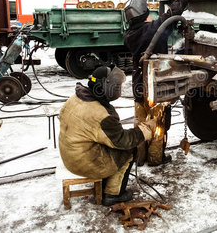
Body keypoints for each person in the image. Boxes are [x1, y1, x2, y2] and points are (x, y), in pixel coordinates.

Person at [58, 65, 157, 206]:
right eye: (119, 87)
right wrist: (143, 131)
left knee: (114, 146)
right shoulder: (100, 115)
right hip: (83, 163)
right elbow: (123, 141)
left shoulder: (76, 97)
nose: (120, 90)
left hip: (70, 154)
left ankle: (108, 182)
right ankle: (113, 194)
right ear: (105, 87)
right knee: (129, 151)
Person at [123, 0, 191, 166]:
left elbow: (161, 22)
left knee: (141, 124)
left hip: (138, 87)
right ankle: (155, 158)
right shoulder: (151, 30)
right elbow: (170, 16)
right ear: (144, 17)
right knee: (158, 124)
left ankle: (140, 157)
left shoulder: (130, 35)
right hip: (155, 88)